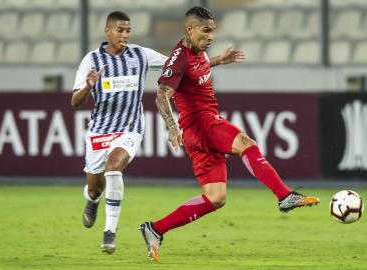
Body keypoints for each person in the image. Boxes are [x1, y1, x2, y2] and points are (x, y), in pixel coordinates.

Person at [139, 6, 320, 262]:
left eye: (213, 31)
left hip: (197, 135)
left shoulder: (197, 52)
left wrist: (217, 61)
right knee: (247, 143)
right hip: (202, 123)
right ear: (190, 29)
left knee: (216, 198)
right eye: (206, 31)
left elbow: (194, 70)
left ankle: (155, 229)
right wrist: (171, 127)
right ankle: (284, 196)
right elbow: (161, 95)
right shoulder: (178, 57)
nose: (211, 36)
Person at [71, 11, 167, 254]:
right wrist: (89, 86)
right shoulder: (91, 60)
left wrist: (215, 59)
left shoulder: (140, 54)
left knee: (114, 167)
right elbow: (75, 101)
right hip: (100, 130)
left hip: (130, 127)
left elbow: (176, 64)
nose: (125, 35)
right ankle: (92, 201)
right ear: (108, 31)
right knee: (94, 188)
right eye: (120, 30)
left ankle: (110, 231)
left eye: (128, 30)